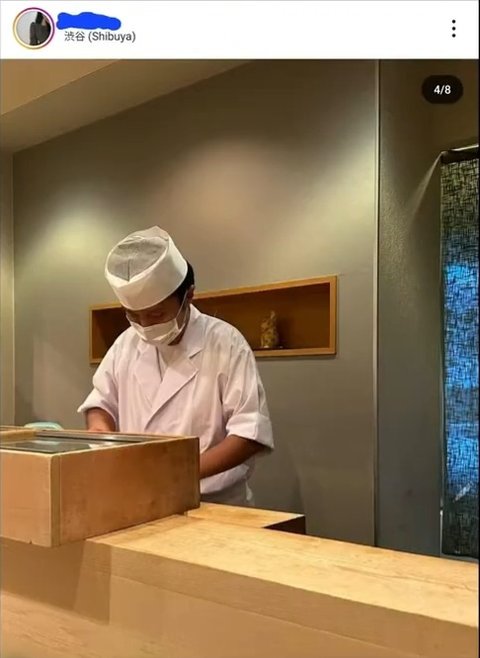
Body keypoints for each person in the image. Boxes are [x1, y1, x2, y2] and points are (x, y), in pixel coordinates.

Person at [78, 227, 274, 506]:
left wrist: (181, 471)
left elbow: (248, 433)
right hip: (138, 496)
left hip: (212, 501)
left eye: (156, 314)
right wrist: (100, 432)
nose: (145, 326)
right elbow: (101, 402)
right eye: (134, 316)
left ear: (188, 295)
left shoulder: (226, 343)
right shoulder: (126, 343)